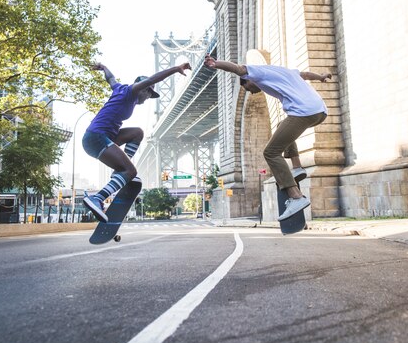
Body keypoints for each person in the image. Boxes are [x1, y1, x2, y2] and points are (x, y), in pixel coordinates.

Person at [203, 55, 332, 220]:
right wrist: (320, 77)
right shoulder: (285, 71)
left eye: (248, 88)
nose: (251, 91)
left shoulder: (256, 72)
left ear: (248, 80)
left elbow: (238, 69)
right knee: (281, 128)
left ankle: (295, 197)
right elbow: (305, 74)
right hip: (320, 112)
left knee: (271, 152)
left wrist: (216, 64)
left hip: (303, 112)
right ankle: (297, 167)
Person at [82, 61, 191, 222]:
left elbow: (111, 78)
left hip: (100, 137)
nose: (148, 98)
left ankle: (122, 170)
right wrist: (176, 69)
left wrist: (104, 68)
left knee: (137, 133)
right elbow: (152, 80)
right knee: (131, 171)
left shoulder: (119, 88)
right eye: (149, 94)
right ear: (143, 89)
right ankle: (98, 198)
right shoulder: (130, 91)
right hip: (96, 138)